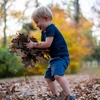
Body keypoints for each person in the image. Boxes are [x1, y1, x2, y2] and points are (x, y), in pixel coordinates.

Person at [24, 6, 75, 100]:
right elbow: (44, 47)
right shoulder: (44, 32)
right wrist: (33, 51)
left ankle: (70, 96)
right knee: (48, 77)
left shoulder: (51, 28)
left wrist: (34, 45)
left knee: (58, 75)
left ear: (46, 18)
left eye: (37, 22)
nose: (36, 25)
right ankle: (55, 96)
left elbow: (47, 44)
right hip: (54, 59)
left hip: (61, 57)